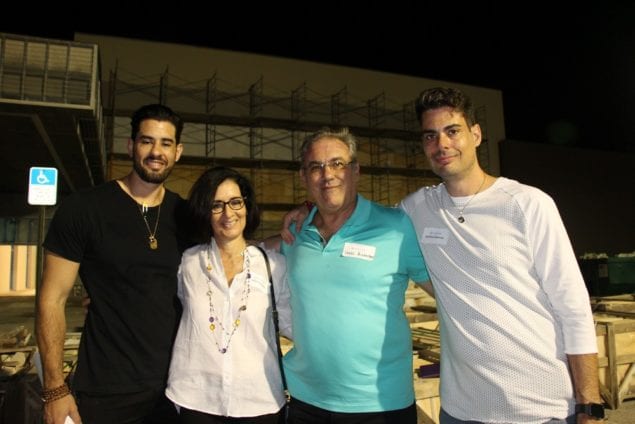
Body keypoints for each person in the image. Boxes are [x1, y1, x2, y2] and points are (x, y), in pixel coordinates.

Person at [283, 87, 603, 424]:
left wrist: (589, 404)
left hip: (540, 406)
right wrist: (307, 209)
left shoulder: (526, 204)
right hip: (461, 410)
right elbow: (343, 211)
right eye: (431, 136)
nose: (442, 144)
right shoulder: (417, 209)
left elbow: (573, 306)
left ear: (476, 134)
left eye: (452, 131)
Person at [36, 103, 186, 424]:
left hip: (177, 389)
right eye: (146, 141)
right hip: (106, 391)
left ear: (178, 152)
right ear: (131, 146)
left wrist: (301, 214)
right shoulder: (83, 209)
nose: (156, 152)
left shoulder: (186, 216)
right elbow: (52, 300)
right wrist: (55, 389)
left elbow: (235, 251)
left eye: (166, 143)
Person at [277, 127, 430, 424]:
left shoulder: (396, 227)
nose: (327, 175)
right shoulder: (294, 234)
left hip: (380, 405)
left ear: (356, 171)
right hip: (304, 401)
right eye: (316, 167)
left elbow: (447, 295)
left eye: (337, 164)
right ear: (304, 177)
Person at [165, 166, 291, 423]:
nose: (228, 213)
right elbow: (155, 299)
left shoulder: (273, 265)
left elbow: (291, 323)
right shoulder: (187, 263)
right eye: (216, 205)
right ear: (205, 212)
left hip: (258, 401)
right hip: (196, 399)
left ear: (246, 206)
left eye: (235, 202)